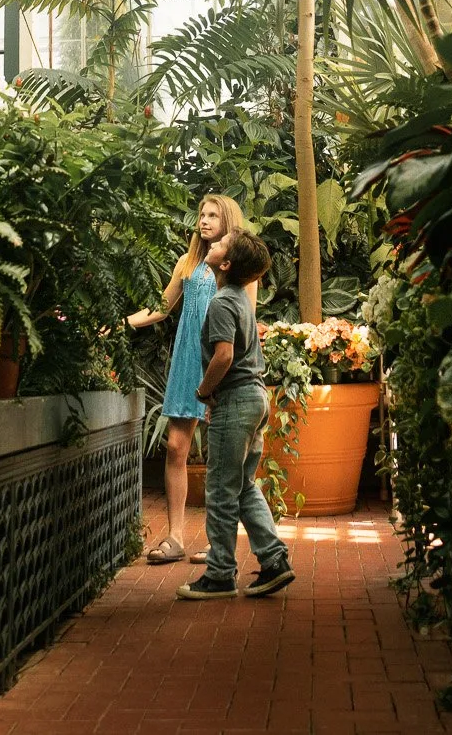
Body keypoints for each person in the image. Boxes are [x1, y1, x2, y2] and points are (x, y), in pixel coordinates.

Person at [125, 194, 256, 565]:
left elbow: (246, 321)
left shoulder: (239, 269)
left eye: (213, 214)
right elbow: (161, 309)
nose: (204, 220)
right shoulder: (188, 262)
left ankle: (219, 541)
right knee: (175, 448)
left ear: (228, 221)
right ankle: (176, 537)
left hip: (220, 364)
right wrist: (123, 323)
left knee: (222, 458)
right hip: (187, 363)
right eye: (202, 214)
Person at [176, 229, 293, 600]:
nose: (212, 244)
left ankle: (221, 574)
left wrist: (203, 391)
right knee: (242, 484)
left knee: (221, 490)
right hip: (255, 398)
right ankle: (274, 562)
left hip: (236, 400)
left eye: (220, 245)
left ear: (225, 264)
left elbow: (224, 356)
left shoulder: (223, 302)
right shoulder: (240, 299)